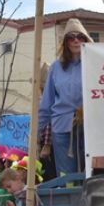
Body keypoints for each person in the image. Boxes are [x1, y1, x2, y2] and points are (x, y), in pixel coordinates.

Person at [38, 18, 93, 177]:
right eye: (71, 37)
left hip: (90, 126)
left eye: (80, 37)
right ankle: (70, 199)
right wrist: (34, 134)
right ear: (66, 42)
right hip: (62, 127)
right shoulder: (56, 67)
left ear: (85, 40)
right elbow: (46, 103)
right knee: (66, 175)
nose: (76, 40)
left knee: (91, 171)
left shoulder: (94, 63)